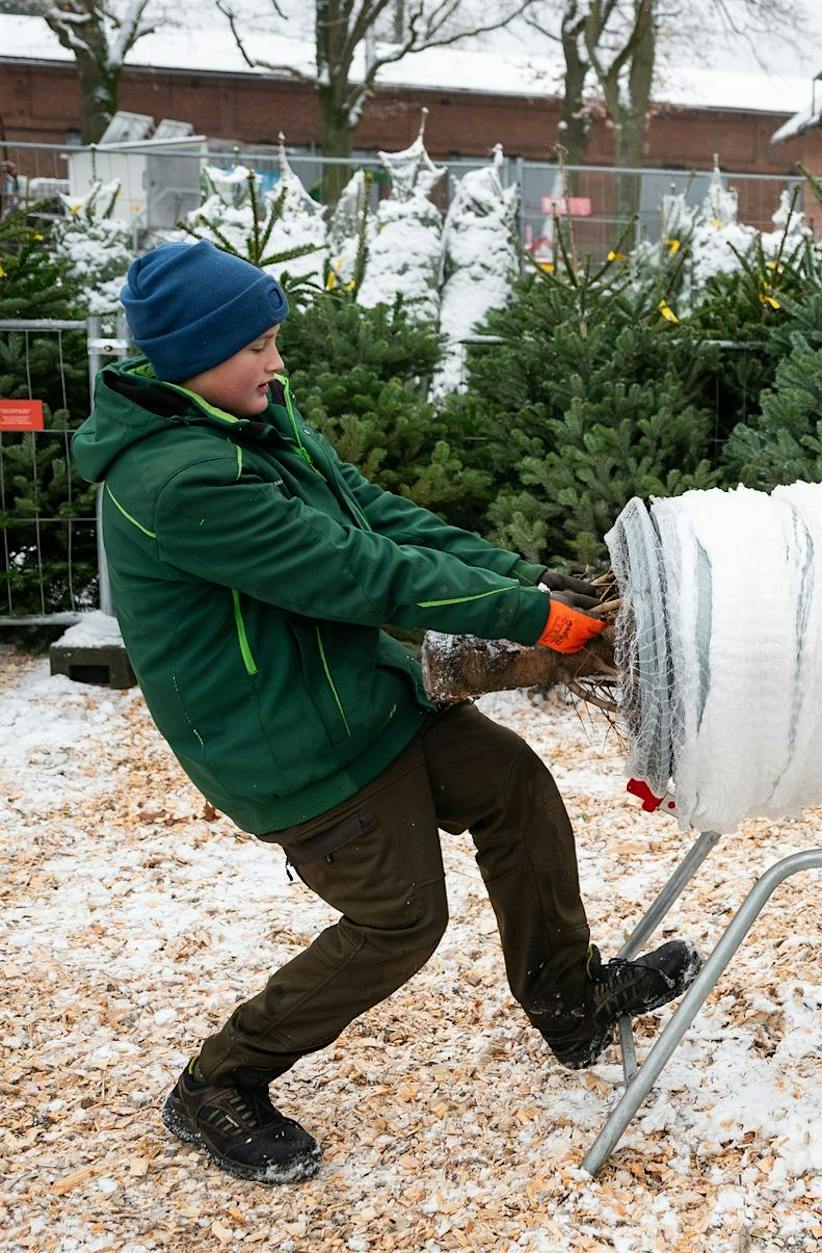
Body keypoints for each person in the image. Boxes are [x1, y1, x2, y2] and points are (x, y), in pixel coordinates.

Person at [73, 242, 700, 1184]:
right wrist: (530, 618)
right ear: (195, 353)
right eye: (260, 345)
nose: (278, 364)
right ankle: (219, 1079)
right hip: (288, 743)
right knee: (401, 918)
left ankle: (569, 1001)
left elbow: (377, 517)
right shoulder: (178, 481)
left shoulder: (252, 420)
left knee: (514, 787)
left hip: (364, 695)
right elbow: (357, 575)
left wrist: (520, 578)